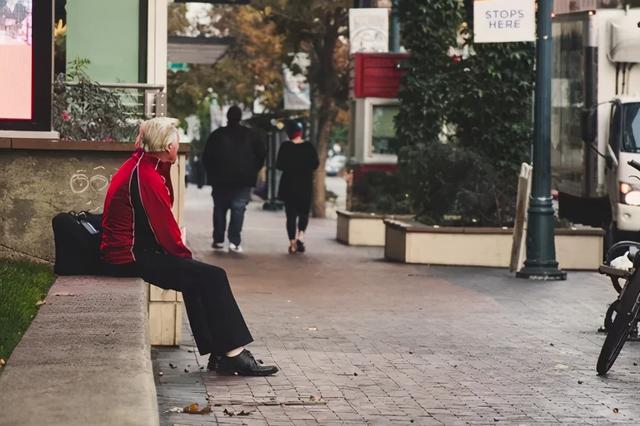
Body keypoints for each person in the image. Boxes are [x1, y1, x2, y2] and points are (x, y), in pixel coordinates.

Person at [99, 117, 278, 376]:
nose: (178, 145)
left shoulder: (145, 164)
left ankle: (220, 353)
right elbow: (164, 226)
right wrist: (185, 258)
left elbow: (164, 201)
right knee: (213, 277)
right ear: (167, 146)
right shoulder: (145, 175)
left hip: (133, 250)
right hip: (128, 256)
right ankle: (234, 355)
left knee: (197, 278)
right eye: (175, 141)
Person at [202, 106, 265, 253]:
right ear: (240, 117)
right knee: (238, 209)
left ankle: (218, 239)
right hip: (243, 180)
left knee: (219, 209)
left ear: (228, 117)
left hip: (220, 180)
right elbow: (261, 155)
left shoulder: (217, 135)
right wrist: (253, 170)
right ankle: (234, 241)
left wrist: (212, 173)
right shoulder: (251, 136)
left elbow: (207, 158)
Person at [276, 121, 319, 254]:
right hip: (304, 185)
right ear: (301, 132)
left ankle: (292, 243)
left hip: (289, 186)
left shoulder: (285, 146)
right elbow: (315, 164)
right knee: (304, 213)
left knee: (291, 215)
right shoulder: (309, 147)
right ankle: (301, 236)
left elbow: (279, 165)